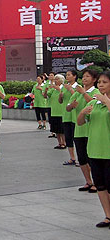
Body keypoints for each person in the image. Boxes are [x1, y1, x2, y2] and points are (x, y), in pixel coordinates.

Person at [77, 70, 110, 228]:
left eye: (105, 82)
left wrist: (106, 101)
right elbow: (80, 122)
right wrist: (83, 113)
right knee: (101, 186)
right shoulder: (93, 102)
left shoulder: (103, 101)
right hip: (95, 151)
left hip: (108, 151)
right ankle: (108, 216)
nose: (101, 85)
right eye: (100, 83)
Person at [67, 69, 100, 193]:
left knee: (91, 158)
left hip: (90, 130)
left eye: (87, 76)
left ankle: (97, 182)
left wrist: (83, 93)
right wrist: (71, 105)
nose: (84, 79)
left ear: (94, 79)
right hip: (79, 130)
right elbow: (68, 107)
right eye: (83, 76)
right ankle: (88, 181)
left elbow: (94, 103)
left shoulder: (96, 92)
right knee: (82, 158)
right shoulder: (76, 93)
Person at [60, 70, 79, 165]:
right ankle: (72, 158)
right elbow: (60, 101)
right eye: (66, 75)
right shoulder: (64, 87)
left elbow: (78, 99)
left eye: (69, 75)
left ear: (74, 76)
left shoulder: (78, 87)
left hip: (75, 116)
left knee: (77, 139)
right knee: (68, 138)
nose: (67, 77)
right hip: (66, 115)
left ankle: (81, 158)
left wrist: (70, 90)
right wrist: (60, 95)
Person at [44, 74, 67, 149]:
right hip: (54, 111)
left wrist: (58, 89)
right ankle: (59, 143)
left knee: (62, 129)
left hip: (61, 111)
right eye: (55, 79)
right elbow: (46, 96)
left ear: (61, 80)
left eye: (57, 79)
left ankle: (64, 143)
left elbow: (65, 96)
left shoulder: (64, 88)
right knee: (56, 128)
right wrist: (46, 91)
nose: (55, 80)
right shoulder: (52, 89)